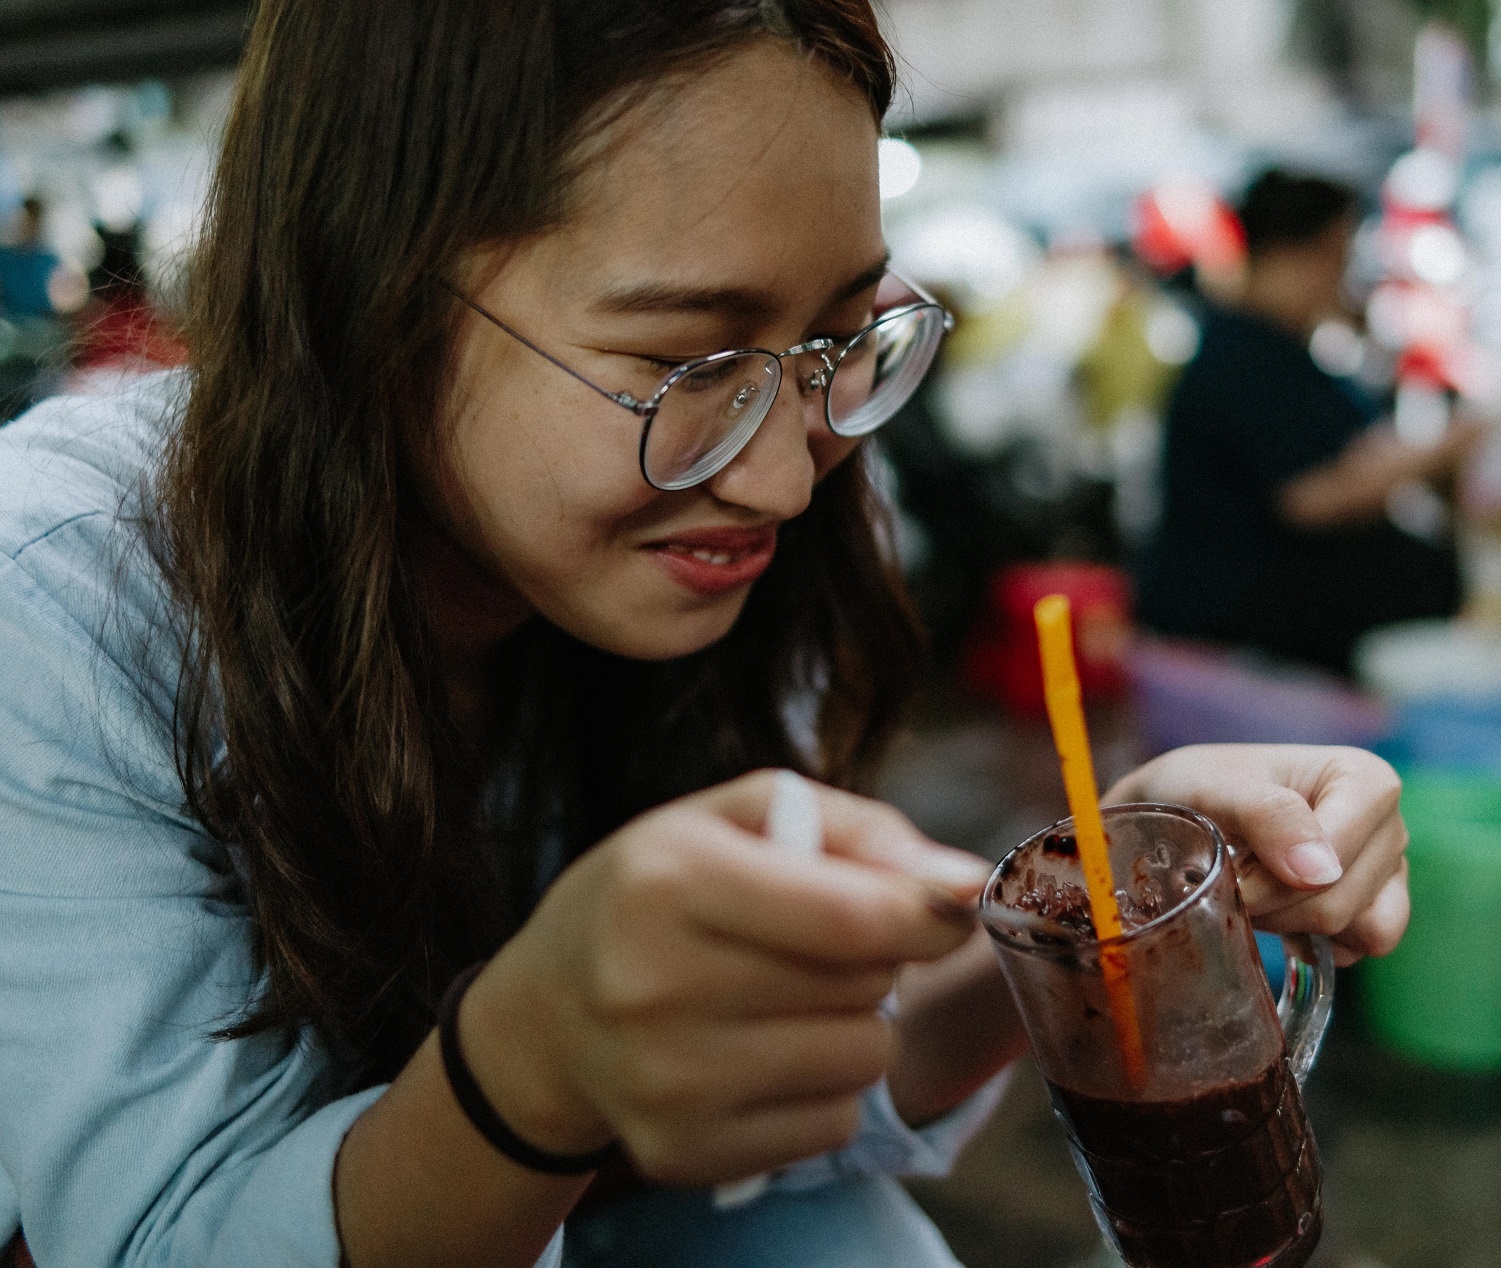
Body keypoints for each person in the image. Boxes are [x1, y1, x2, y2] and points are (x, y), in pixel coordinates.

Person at [0, 6, 1411, 1267]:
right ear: (373, 290)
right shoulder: (63, 596)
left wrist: (1073, 919)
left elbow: (784, 1110)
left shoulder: (744, 533)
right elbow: (166, 1232)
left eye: (842, 341)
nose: (792, 481)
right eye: (687, 362)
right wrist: (526, 1067)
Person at [1138, 169, 1468, 676]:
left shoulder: (1274, 348)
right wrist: (1454, 445)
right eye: (1340, 255)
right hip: (1233, 619)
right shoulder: (1246, 357)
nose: (1345, 275)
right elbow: (1313, 498)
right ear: (1305, 251)